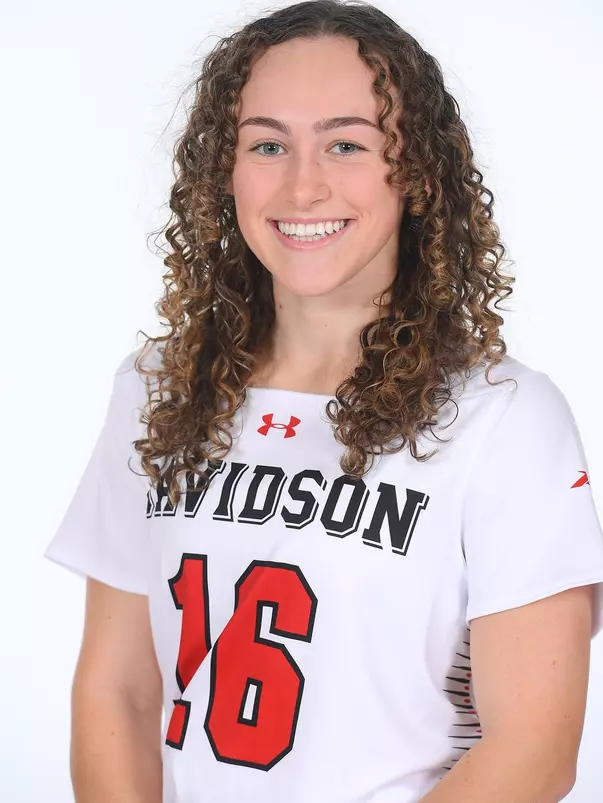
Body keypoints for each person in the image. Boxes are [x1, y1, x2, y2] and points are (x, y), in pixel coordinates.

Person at [44, 2, 603, 802]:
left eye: (346, 144)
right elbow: (117, 693)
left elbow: (533, 750)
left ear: (413, 173)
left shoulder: (505, 416)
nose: (302, 185)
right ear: (222, 172)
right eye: (266, 145)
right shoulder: (157, 387)